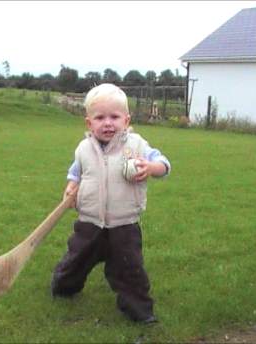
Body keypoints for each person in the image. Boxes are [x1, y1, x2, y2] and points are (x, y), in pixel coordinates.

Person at [50, 83, 171, 326]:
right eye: (100, 117)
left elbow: (163, 163)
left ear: (126, 120)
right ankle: (62, 288)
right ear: (89, 123)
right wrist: (71, 185)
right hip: (89, 223)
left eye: (114, 117)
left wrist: (151, 168)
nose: (108, 123)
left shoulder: (136, 145)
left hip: (124, 225)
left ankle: (140, 310)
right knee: (75, 260)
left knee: (130, 271)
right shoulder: (84, 149)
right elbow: (76, 172)